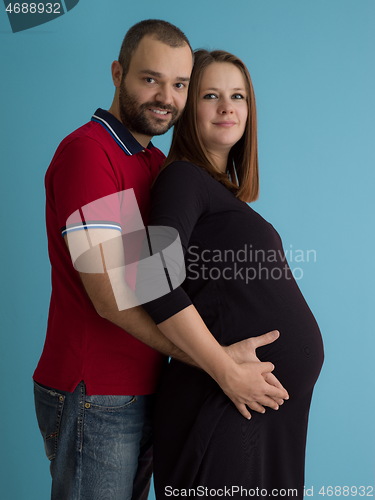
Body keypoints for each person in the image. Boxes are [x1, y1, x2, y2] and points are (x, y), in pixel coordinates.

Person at [33, 21, 288, 500]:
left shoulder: (151, 165)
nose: (165, 97)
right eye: (150, 79)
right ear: (117, 73)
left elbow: (159, 278)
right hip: (96, 392)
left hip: (144, 388)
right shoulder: (91, 154)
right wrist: (217, 365)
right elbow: (110, 296)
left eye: (179, 84)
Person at [143, 50, 325, 499]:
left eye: (237, 95)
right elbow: (149, 277)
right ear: (187, 111)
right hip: (221, 403)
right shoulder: (182, 178)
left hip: (256, 412)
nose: (228, 107)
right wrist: (226, 371)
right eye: (211, 95)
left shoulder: (219, 195)